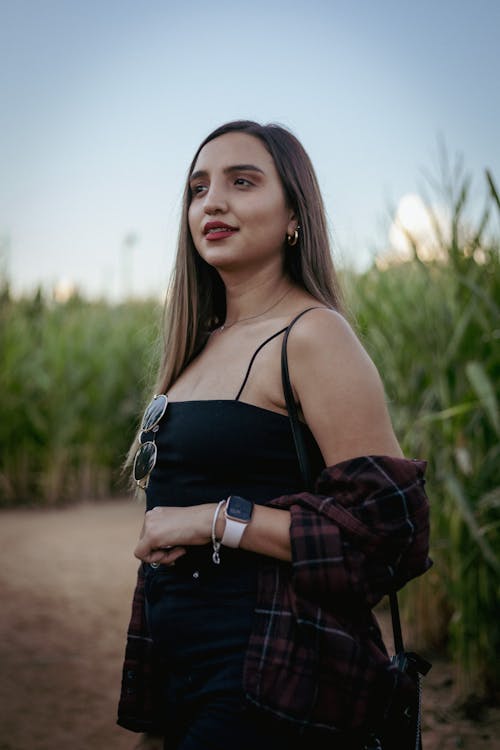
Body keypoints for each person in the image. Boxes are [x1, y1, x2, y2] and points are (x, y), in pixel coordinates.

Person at [117, 120, 431, 750]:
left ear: (294, 214)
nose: (214, 202)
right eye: (198, 188)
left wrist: (212, 519)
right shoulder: (193, 350)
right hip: (178, 671)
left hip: (267, 678)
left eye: (243, 181)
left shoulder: (312, 336)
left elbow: (390, 533)